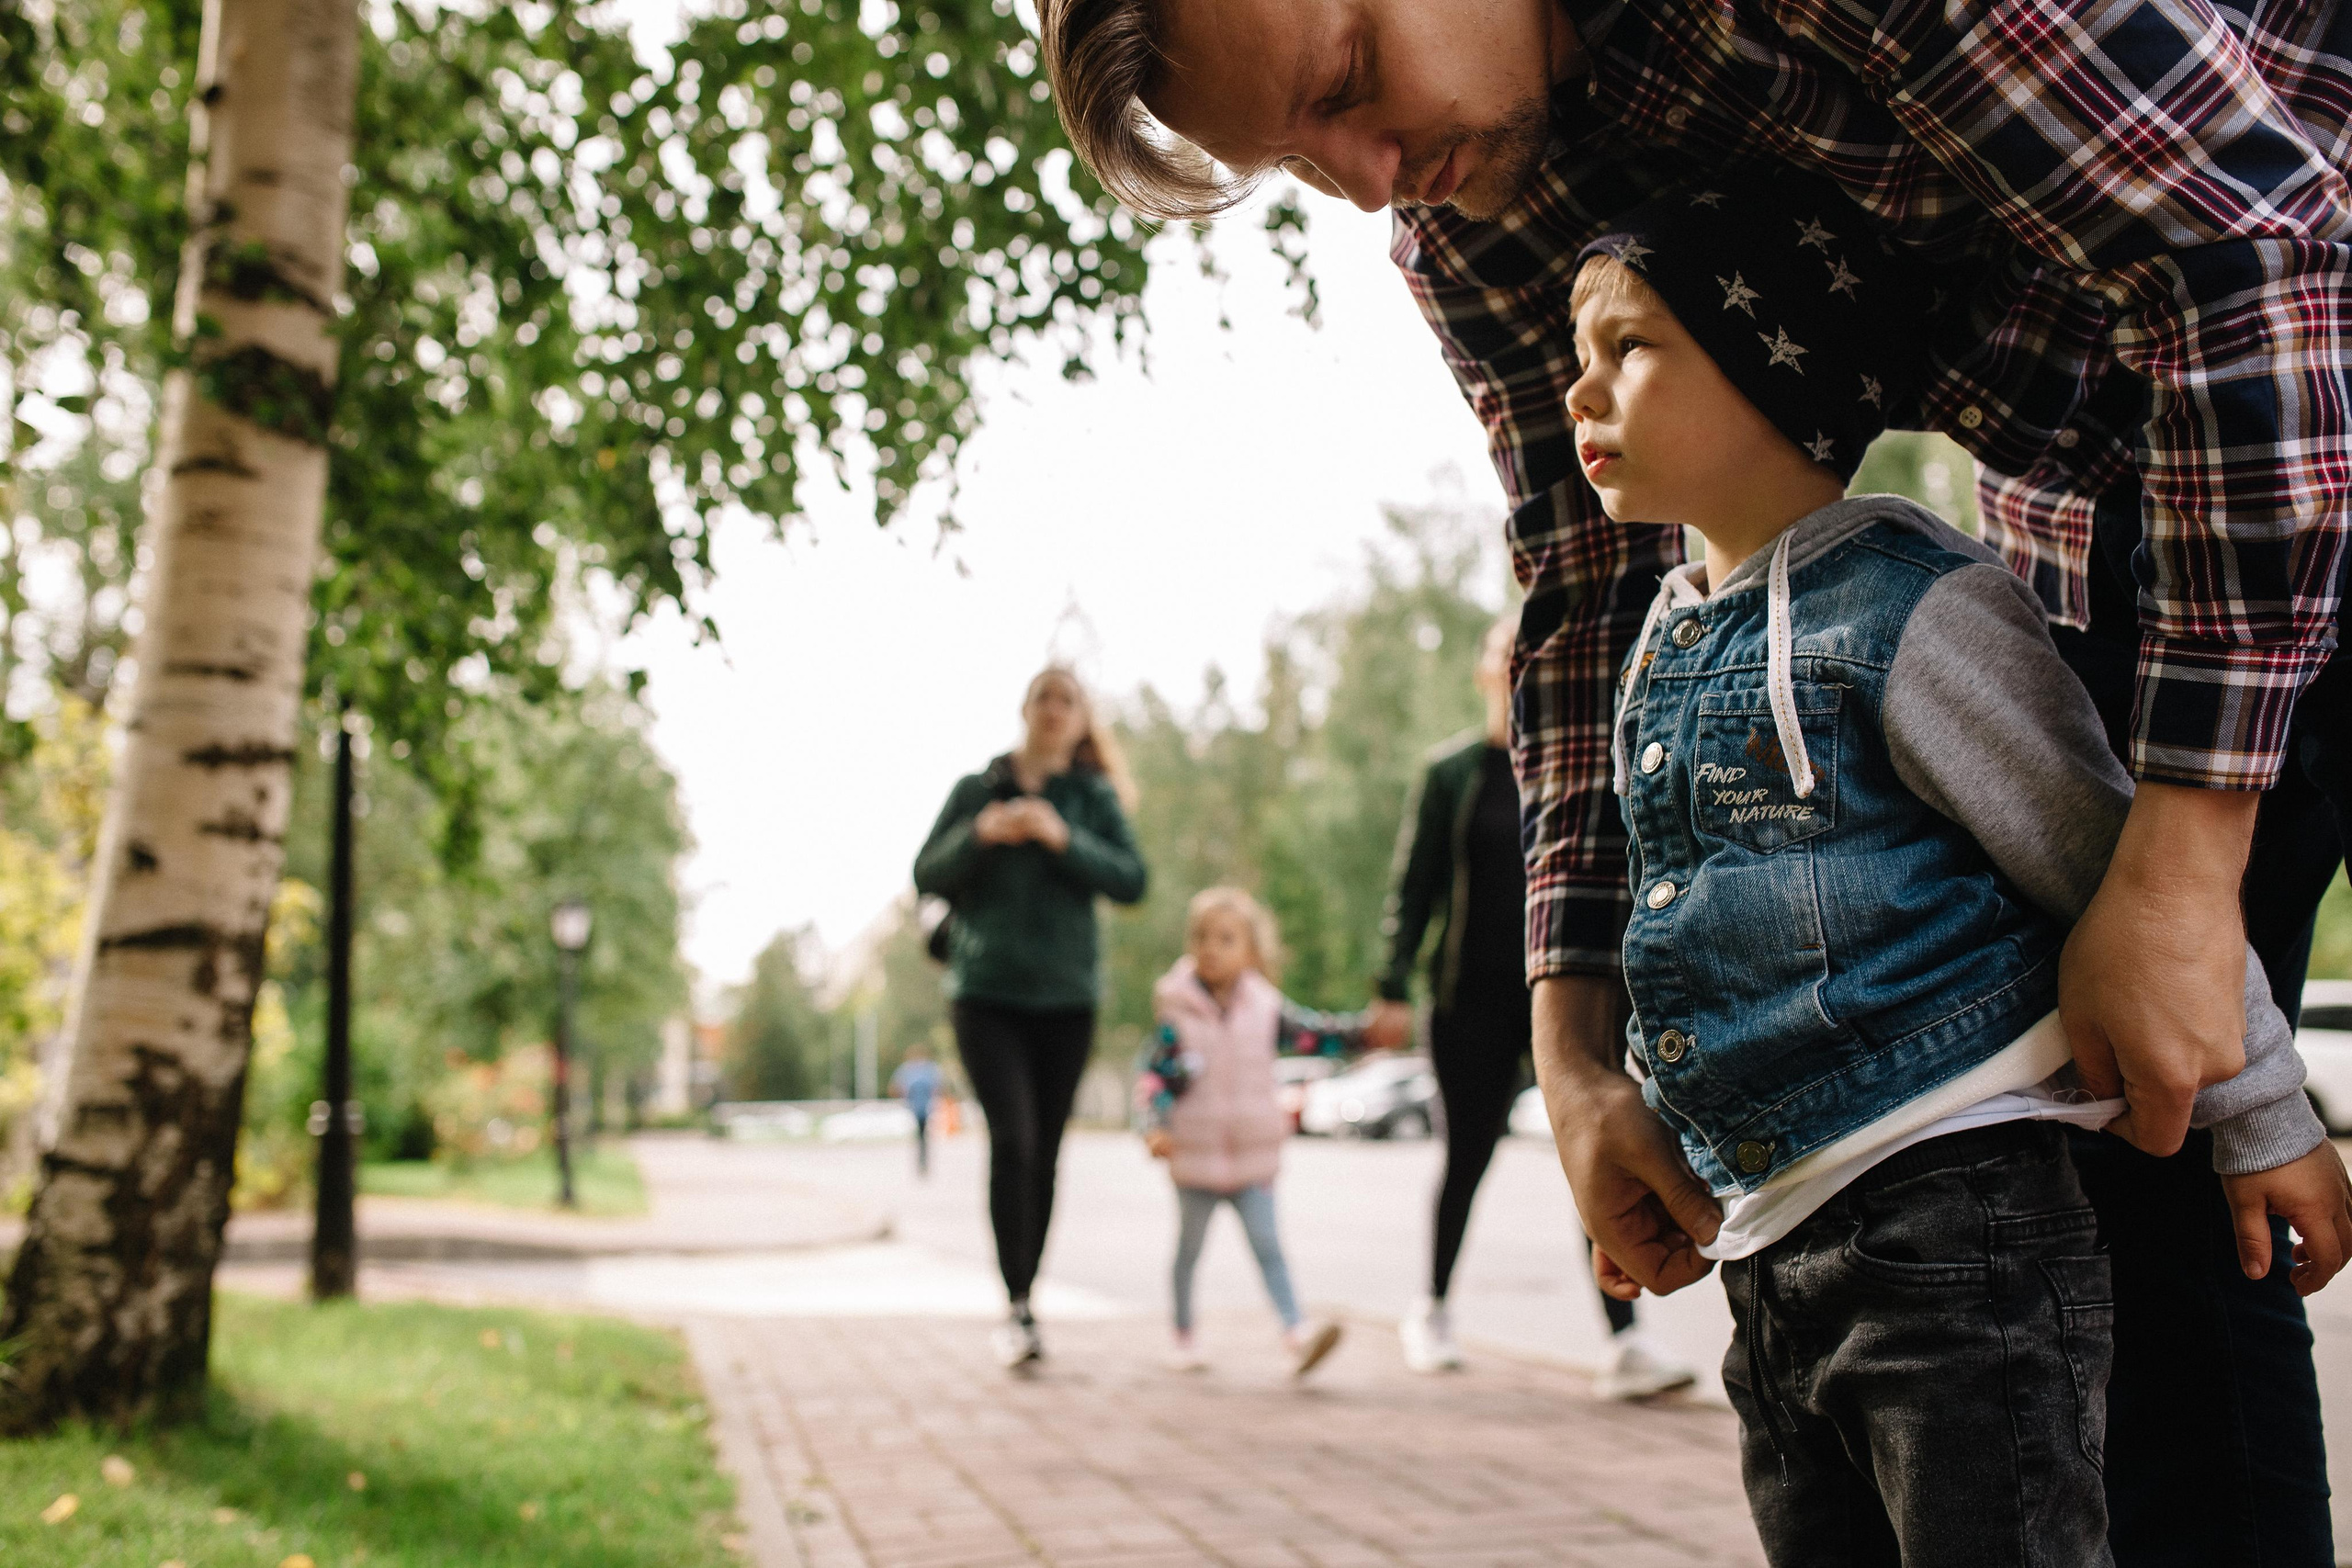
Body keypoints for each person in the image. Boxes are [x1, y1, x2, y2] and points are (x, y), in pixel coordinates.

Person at [1039, 3, 2352, 1557]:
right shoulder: (1474, 209)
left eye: (1346, 86)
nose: (1374, 176)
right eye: (1299, 158)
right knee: (2135, 1161)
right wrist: (1576, 1051)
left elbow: (2243, 253)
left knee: (2180, 1104)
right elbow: (1589, 590)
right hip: (2120, 492)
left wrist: (2188, 872)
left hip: (2294, 354)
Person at [1567, 175, 2352, 1565]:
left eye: (1632, 346)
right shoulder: (1662, 639)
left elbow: (2106, 854)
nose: (1583, 391)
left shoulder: (1908, 601)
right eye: (1580, 357)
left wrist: (2269, 1115)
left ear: (1773, 368)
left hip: (1958, 1234)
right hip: (1775, 1252)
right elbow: (1681, 928)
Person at [1377, 611, 1691, 1397]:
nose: (1513, 659)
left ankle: (1623, 1347)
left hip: (1575, 989)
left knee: (1593, 1145)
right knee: (1467, 1154)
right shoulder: (1451, 774)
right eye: (1499, 648)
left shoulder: (1579, 767)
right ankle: (1434, 1310)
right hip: (1471, 1000)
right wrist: (1389, 983)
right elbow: (1413, 888)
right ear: (1486, 670)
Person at [913, 666, 1148, 1369]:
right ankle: (1015, 1299)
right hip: (985, 991)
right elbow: (926, 870)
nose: (1054, 709)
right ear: (1024, 708)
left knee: (1044, 1149)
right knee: (1011, 1138)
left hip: (1067, 998)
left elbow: (1132, 879)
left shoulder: (1091, 797)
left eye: (1069, 699)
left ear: (1081, 719)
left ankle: (1026, 1299)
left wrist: (1060, 836)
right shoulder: (977, 790)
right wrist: (982, 833)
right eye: (1045, 696)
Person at [1138, 887, 1355, 1377]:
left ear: (1251, 952)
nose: (1210, 947)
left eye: (1225, 938)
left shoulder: (1266, 1009)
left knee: (1269, 1247)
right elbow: (1155, 1079)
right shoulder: (1178, 1015)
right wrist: (1154, 1126)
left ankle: (1296, 1333)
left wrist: (1365, 1031)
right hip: (1194, 1159)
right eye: (1201, 937)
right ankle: (1183, 1333)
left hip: (1252, 1159)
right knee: (1188, 1253)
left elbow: (1315, 1033)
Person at [889, 1043, 945, 1178]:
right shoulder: (911, 1070)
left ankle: (922, 1164)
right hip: (916, 1109)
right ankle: (922, 1164)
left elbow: (938, 1088)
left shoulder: (926, 1069)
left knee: (922, 1137)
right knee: (921, 1137)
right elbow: (895, 1088)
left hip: (925, 1109)